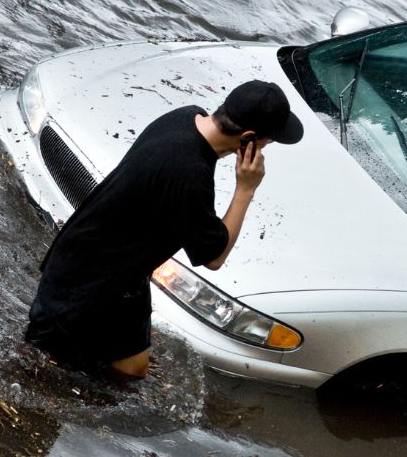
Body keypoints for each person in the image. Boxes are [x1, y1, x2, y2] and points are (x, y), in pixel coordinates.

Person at [25, 80, 304, 378]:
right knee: (45, 368)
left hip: (108, 268)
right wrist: (245, 189)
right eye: (267, 141)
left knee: (132, 369)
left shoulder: (184, 117)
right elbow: (214, 257)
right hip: (87, 288)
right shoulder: (189, 173)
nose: (265, 148)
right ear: (248, 138)